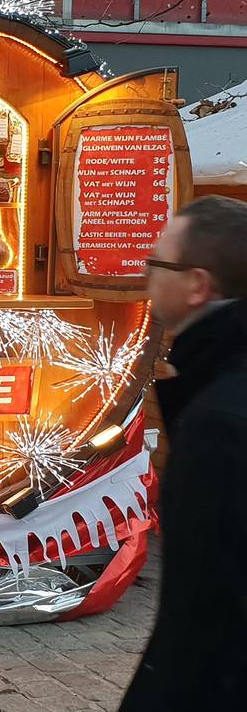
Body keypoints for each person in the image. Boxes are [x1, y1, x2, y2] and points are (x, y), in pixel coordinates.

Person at [119, 195, 247, 711]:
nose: (147, 275)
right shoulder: (215, 388)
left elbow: (201, 618)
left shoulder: (220, 425)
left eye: (158, 263)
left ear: (197, 284)